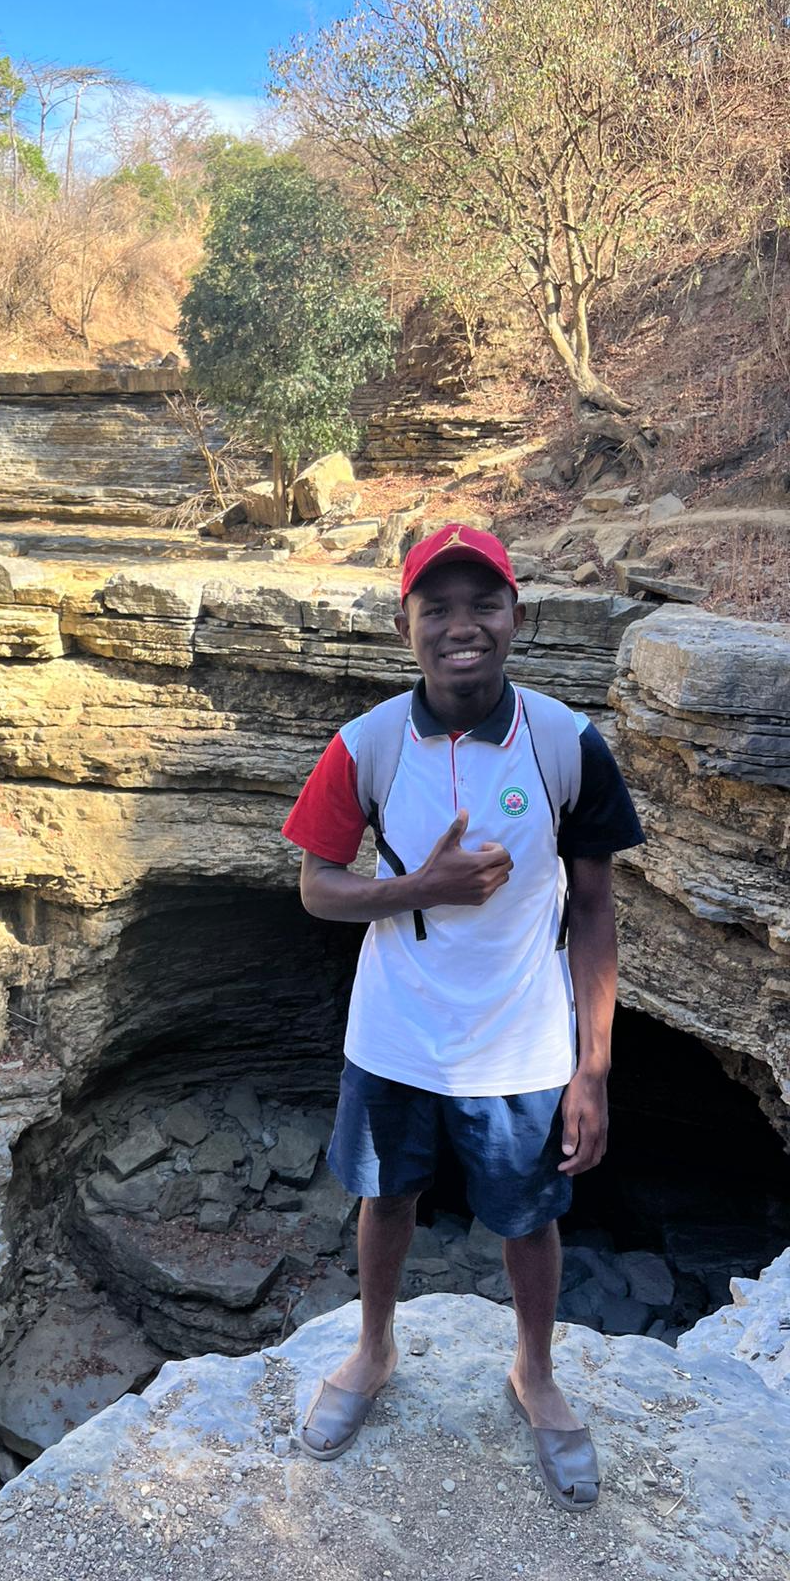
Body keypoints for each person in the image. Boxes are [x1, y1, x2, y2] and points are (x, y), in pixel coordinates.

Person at [281, 523, 644, 1513]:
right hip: (394, 1032)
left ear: (515, 615)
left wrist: (592, 1066)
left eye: (482, 603)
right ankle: (373, 1348)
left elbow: (597, 908)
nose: (461, 627)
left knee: (528, 1219)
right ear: (407, 627)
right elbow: (316, 886)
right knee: (386, 1199)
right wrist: (418, 888)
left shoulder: (568, 744)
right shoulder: (367, 744)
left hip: (521, 1039)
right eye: (435, 607)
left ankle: (534, 1370)